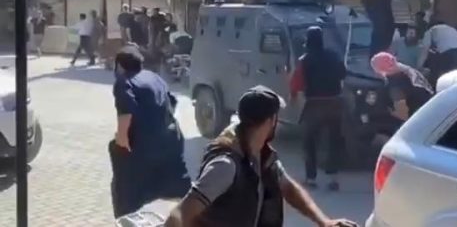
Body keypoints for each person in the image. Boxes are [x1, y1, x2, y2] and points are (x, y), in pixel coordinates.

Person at [164, 86, 358, 227]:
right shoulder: (226, 165)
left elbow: (288, 188)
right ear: (270, 120)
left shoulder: (263, 154)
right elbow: (181, 212)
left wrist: (324, 222)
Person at [110, 46, 190, 218]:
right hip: (172, 140)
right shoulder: (154, 77)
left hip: (144, 146)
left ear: (120, 66)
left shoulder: (124, 82)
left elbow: (125, 118)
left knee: (125, 188)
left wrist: (121, 144)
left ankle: (126, 218)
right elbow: (173, 103)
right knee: (177, 188)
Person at [288, 26, 347, 190]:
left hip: (314, 105)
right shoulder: (334, 56)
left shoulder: (304, 60)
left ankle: (311, 178)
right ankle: (333, 179)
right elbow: (343, 74)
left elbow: (296, 83)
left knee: (309, 142)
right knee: (334, 141)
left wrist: (293, 98)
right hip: (334, 104)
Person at [371, 52, 433, 121]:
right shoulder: (408, 70)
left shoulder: (396, 88)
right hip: (432, 106)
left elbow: (403, 115)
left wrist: (391, 113)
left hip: (425, 117)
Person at [417, 21, 457, 87]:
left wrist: (418, 67)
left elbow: (424, 52)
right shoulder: (450, 28)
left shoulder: (430, 31)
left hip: (449, 54)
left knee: (445, 79)